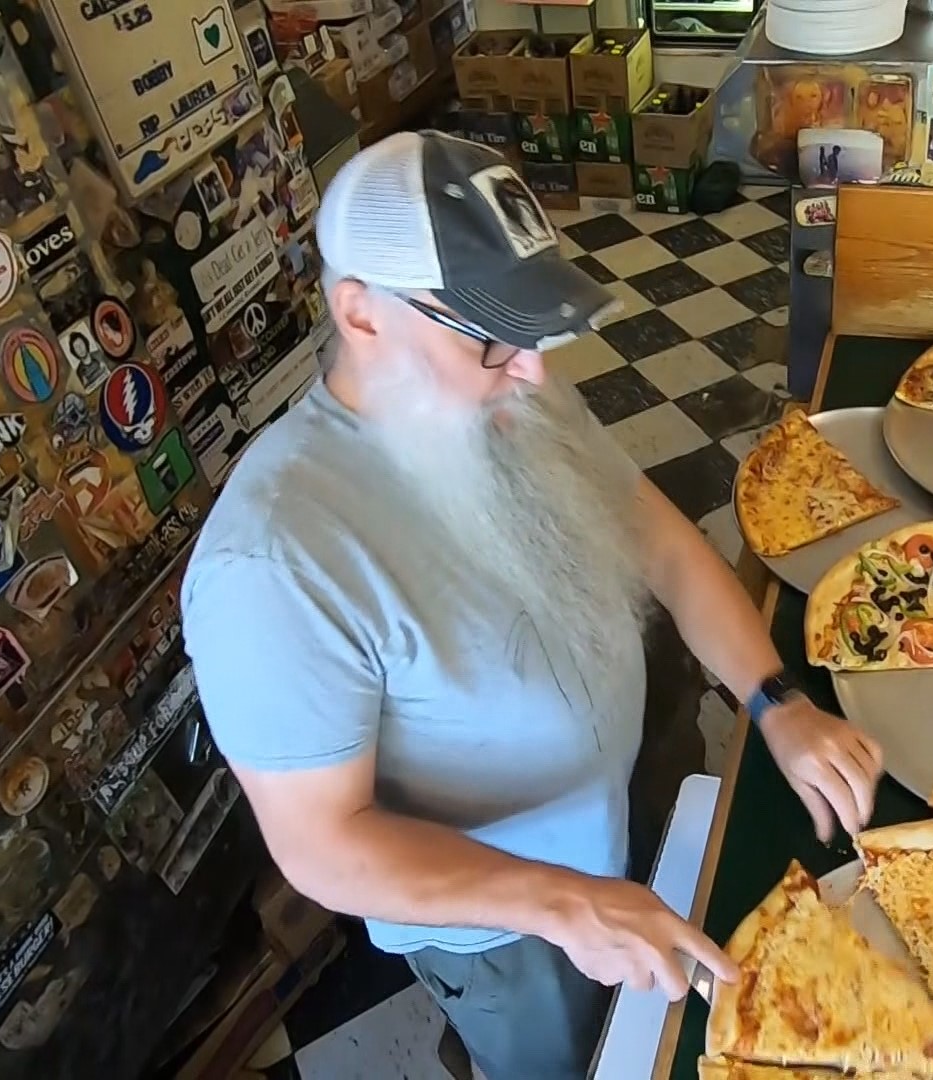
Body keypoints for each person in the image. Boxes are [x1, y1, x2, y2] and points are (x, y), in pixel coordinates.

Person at [181, 132, 885, 1079]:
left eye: (531, 334)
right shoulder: (272, 561)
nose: (536, 372)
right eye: (491, 338)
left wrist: (776, 701)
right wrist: (561, 905)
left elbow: (665, 545)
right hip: (506, 930)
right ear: (362, 315)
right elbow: (321, 845)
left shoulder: (503, 392)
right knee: (570, 1062)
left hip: (630, 804)